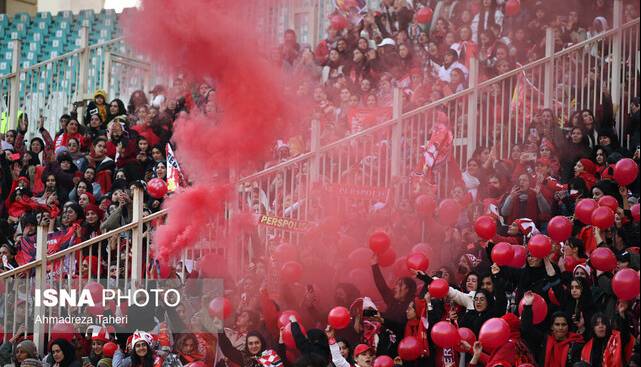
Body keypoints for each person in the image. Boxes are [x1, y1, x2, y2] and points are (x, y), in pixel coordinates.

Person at [521, 292, 584, 367]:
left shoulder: (576, 344)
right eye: (557, 324)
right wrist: (528, 306)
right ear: (552, 327)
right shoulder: (545, 340)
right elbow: (527, 328)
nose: (560, 328)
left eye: (563, 324)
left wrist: (581, 327)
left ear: (568, 327)